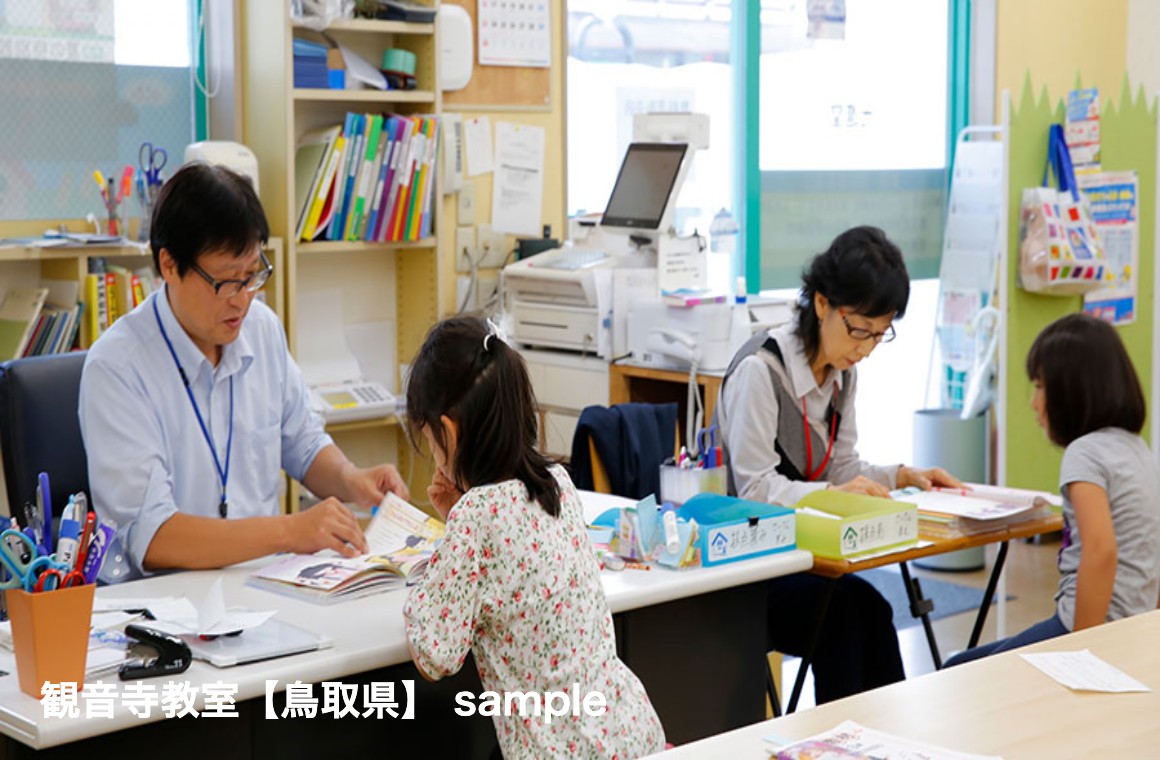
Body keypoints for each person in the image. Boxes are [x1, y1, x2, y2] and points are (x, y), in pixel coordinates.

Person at [79, 163, 408, 583]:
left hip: (266, 590)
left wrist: (351, 479)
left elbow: (303, 444)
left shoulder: (262, 330)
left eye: (251, 276)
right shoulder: (117, 368)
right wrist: (290, 531)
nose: (241, 300)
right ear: (169, 265)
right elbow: (154, 537)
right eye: (225, 282)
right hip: (165, 609)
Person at [716, 225, 961, 704]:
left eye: (879, 333)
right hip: (752, 568)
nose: (866, 348)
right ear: (822, 303)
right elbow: (755, 489)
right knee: (845, 619)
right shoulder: (760, 372)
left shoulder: (842, 376)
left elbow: (841, 465)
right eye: (859, 330)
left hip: (810, 557)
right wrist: (830, 496)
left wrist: (902, 476)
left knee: (873, 610)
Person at [402, 316, 665, 759]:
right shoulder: (558, 484)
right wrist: (459, 529)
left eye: (429, 438)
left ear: (447, 431)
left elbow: (435, 655)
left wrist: (449, 543)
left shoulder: (477, 516)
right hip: (630, 732)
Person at [945, 313, 1160, 666]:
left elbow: (1100, 551)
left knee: (956, 670)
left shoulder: (1085, 453)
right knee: (963, 663)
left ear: (1072, 389)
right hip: (1132, 626)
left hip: (1090, 626)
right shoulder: (1137, 449)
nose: (1033, 402)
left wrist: (1084, 654)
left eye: (1040, 387)